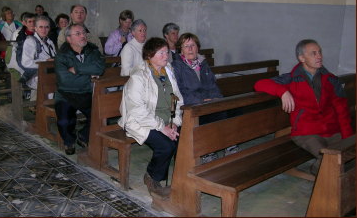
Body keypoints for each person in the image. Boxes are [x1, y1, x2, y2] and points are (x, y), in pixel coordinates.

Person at [254, 39, 354, 175]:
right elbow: (259, 84)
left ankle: (320, 173)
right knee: (330, 163)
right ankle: (321, 178)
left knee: (348, 158)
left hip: (332, 130)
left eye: (319, 52)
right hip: (306, 132)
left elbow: (342, 110)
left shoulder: (331, 79)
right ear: (302, 58)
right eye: (313, 53)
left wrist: (347, 137)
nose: (319, 56)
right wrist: (283, 92)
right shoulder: (292, 78)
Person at [118, 37, 183, 197]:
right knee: (166, 145)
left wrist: (174, 121)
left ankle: (180, 180)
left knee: (184, 140)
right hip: (142, 121)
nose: (166, 56)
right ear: (150, 55)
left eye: (167, 52)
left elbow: (176, 98)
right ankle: (152, 176)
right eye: (161, 52)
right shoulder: (139, 77)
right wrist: (162, 127)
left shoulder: (168, 71)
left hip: (167, 119)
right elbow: (137, 110)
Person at [172, 33, 238, 162]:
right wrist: (202, 100)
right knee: (210, 116)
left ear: (198, 48)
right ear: (181, 49)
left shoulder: (203, 64)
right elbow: (179, 91)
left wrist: (216, 99)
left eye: (193, 45)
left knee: (227, 111)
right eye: (186, 46)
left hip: (208, 103)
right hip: (189, 106)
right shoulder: (176, 66)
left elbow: (213, 86)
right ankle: (208, 151)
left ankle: (228, 144)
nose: (190, 49)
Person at [54, 24, 105, 155]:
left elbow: (99, 68)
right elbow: (65, 80)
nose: (83, 36)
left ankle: (83, 135)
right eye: (78, 34)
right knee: (65, 120)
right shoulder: (61, 55)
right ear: (69, 39)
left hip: (87, 93)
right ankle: (69, 141)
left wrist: (77, 70)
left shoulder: (93, 50)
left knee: (102, 116)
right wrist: (89, 76)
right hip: (66, 94)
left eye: (84, 33)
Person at [20, 16, 56, 99]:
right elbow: (26, 63)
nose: (44, 30)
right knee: (50, 82)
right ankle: (46, 107)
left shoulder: (49, 42)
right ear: (35, 28)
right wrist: (45, 62)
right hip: (35, 75)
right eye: (41, 27)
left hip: (49, 72)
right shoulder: (30, 41)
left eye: (46, 27)